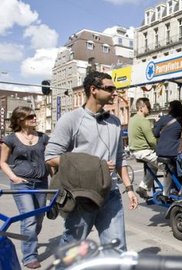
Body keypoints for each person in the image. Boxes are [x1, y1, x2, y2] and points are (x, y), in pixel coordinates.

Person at [45, 71, 138, 252]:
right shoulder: (71, 119)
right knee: (72, 248)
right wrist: (96, 167)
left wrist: (129, 188)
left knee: (117, 250)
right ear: (93, 90)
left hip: (111, 194)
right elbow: (50, 157)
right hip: (82, 195)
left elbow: (120, 157)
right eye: (110, 88)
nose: (115, 93)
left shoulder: (116, 122)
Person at [0, 107, 49, 269]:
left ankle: (30, 243)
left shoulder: (43, 138)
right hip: (22, 183)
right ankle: (29, 256)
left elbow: (50, 158)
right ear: (20, 119)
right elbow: (2, 162)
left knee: (39, 218)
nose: (35, 118)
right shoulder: (11, 139)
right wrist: (13, 177)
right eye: (31, 116)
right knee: (28, 218)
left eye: (35, 116)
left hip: (41, 183)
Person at [128, 98, 160, 199]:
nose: (150, 109)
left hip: (135, 150)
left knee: (153, 167)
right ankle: (169, 192)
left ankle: (143, 187)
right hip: (144, 151)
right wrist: (160, 149)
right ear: (141, 108)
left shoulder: (132, 119)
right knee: (168, 166)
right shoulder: (143, 121)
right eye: (148, 107)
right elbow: (151, 140)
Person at [153, 100, 182, 197]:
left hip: (161, 151)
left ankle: (169, 190)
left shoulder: (163, 119)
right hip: (174, 151)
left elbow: (155, 134)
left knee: (170, 168)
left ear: (170, 109)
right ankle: (180, 189)